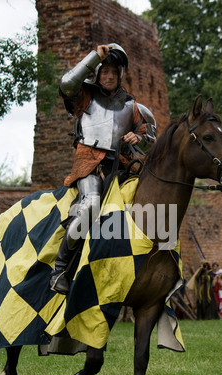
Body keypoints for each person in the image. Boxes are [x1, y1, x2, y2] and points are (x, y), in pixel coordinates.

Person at [50, 43, 156, 294]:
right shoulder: (85, 95)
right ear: (96, 73)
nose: (108, 76)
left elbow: (150, 135)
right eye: (104, 71)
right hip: (90, 164)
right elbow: (66, 84)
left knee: (149, 206)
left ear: (120, 75)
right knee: (90, 205)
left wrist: (137, 138)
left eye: (113, 72)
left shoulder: (132, 106)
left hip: (123, 167)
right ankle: (60, 268)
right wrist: (94, 56)